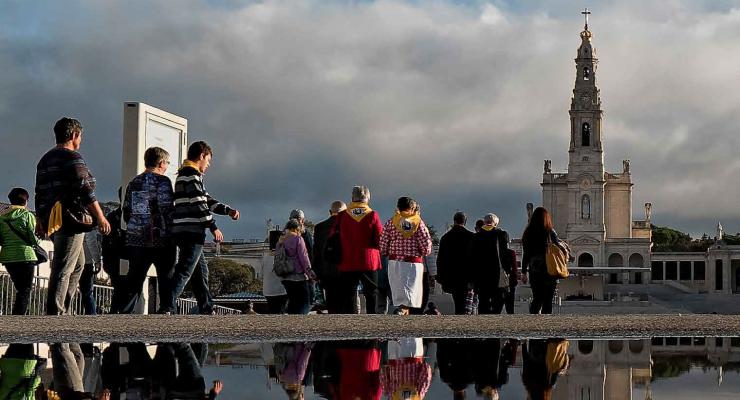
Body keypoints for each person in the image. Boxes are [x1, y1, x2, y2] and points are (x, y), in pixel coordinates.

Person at [35, 117, 111, 315]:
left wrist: (40, 220)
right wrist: (100, 217)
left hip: (53, 219)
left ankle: (63, 309)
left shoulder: (45, 159)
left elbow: (39, 192)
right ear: (75, 135)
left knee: (77, 266)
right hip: (72, 219)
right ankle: (56, 312)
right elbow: (86, 191)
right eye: (81, 136)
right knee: (64, 267)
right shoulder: (73, 158)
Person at [167, 141, 240, 315]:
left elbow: (206, 199)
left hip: (183, 229)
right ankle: (167, 306)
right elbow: (199, 204)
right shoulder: (191, 175)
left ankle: (206, 307)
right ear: (201, 156)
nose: (208, 165)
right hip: (191, 231)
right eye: (208, 160)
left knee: (200, 271)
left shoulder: (187, 175)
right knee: (185, 270)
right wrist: (213, 226)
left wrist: (228, 210)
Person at [121, 147, 176, 314]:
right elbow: (166, 208)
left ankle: (124, 312)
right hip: (161, 238)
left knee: (135, 278)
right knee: (166, 277)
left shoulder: (134, 182)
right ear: (161, 163)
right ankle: (166, 310)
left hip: (137, 238)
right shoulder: (163, 181)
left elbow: (127, 211)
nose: (167, 166)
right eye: (167, 163)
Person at [333, 186, 382, 314]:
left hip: (347, 259)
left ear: (352, 198)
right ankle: (372, 322)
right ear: (367, 198)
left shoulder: (342, 215)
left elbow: (333, 235)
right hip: (369, 260)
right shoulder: (373, 215)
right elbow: (379, 240)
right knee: (371, 293)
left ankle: (352, 321)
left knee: (349, 293)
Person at [379, 197, 432, 315]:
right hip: (413, 264)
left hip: (394, 263)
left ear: (398, 208)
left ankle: (401, 309)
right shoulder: (418, 223)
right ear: (412, 208)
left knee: (398, 290)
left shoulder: (391, 222)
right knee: (411, 291)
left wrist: (386, 252)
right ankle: (405, 310)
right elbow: (426, 246)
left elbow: (383, 243)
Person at [0, 188, 40, 315]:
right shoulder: (28, 215)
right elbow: (33, 238)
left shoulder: (2, 218)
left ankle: (18, 314)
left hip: (8, 257)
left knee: (19, 288)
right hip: (26, 256)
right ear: (26, 201)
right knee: (25, 289)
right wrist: (38, 242)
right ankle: (19, 316)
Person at [469, 213, 512, 315]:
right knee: (498, 299)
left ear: (484, 222)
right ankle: (494, 318)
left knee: (483, 301)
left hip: (480, 275)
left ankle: (484, 322)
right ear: (496, 223)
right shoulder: (502, 235)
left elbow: (471, 257)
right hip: (497, 273)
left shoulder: (476, 237)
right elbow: (505, 255)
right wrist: (508, 270)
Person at [521, 207, 559, 314]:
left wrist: (523, 272)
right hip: (550, 269)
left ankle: (533, 321)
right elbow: (557, 249)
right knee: (548, 300)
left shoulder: (528, 233)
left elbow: (526, 254)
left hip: (535, 270)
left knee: (537, 298)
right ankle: (545, 325)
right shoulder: (550, 232)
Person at [436, 211, 475, 315]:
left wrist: (439, 276)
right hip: (467, 275)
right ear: (465, 221)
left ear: (454, 221)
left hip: (451, 275)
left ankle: (459, 315)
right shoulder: (471, 237)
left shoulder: (445, 238)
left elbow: (440, 259)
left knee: (457, 299)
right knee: (465, 301)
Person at [312, 201, 347, 314]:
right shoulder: (348, 226)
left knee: (332, 304)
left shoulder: (319, 227)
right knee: (346, 306)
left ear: (330, 212)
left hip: (326, 271)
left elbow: (316, 252)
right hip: (345, 271)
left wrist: (317, 272)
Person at [278, 219, 316, 315]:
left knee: (292, 301)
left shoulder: (281, 240)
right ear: (297, 229)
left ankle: (291, 323)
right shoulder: (298, 239)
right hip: (298, 276)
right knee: (305, 302)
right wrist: (310, 274)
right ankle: (300, 323)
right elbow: (304, 258)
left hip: (285, 276)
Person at [101, 189, 129, 314]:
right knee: (121, 290)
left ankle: (116, 313)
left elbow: (105, 242)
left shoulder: (112, 217)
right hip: (117, 259)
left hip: (113, 259)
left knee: (119, 290)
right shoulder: (116, 217)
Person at [80, 230, 102, 315]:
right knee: (87, 292)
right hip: (87, 261)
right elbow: (91, 242)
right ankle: (92, 314)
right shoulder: (90, 225)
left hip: (74, 259)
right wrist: (97, 260)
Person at [505, 249, 520, 314]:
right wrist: (515, 280)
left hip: (496, 282)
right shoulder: (511, 252)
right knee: (510, 306)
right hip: (509, 281)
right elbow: (514, 268)